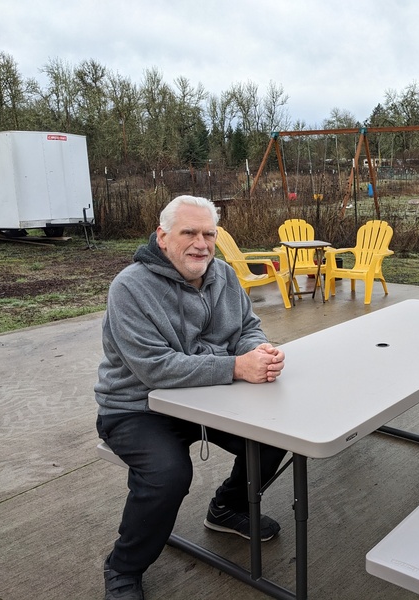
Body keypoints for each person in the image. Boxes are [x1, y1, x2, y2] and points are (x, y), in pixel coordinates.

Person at [95, 195, 287, 600]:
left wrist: (259, 351)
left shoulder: (222, 274)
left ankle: (226, 508)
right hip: (137, 407)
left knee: (276, 435)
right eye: (189, 233)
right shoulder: (129, 287)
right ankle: (123, 567)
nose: (201, 244)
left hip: (208, 397)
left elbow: (248, 326)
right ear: (162, 237)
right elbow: (156, 368)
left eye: (208, 234)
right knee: (168, 475)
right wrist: (236, 366)